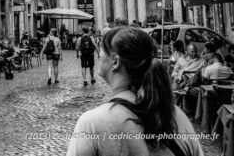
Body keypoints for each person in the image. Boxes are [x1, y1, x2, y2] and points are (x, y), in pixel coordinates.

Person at [66, 27, 204, 156]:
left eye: (102, 49)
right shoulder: (177, 116)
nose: (99, 54)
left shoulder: (92, 124)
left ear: (115, 60)